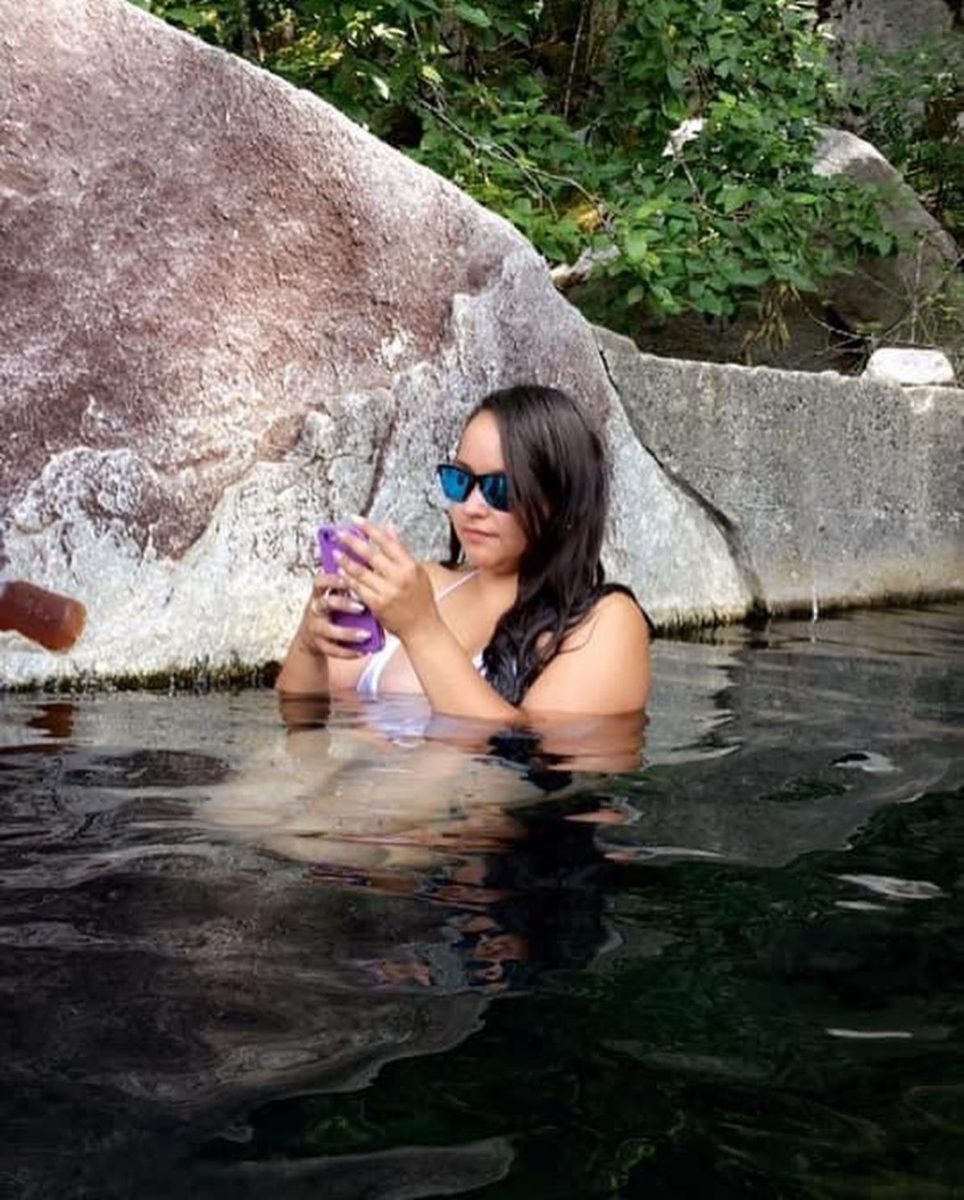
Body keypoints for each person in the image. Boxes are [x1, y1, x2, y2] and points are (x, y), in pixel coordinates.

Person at [276, 384, 651, 720]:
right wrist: (309, 645)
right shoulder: (426, 584)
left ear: (560, 501)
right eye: (460, 481)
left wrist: (421, 629)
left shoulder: (607, 622)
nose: (472, 507)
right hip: (348, 771)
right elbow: (302, 715)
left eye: (501, 489)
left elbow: (525, 755)